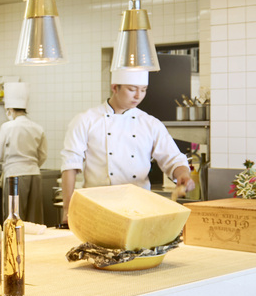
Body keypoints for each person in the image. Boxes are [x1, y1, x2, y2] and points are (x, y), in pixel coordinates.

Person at [60, 67, 194, 225]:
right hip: (98, 207)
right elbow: (70, 165)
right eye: (132, 89)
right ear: (114, 87)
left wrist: (183, 174)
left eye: (143, 90)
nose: (138, 96)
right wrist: (68, 209)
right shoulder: (86, 120)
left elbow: (173, 159)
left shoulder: (150, 123)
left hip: (140, 209)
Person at [0, 81, 47, 224]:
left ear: (10, 110)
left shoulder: (7, 127)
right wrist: (32, 165)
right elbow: (43, 155)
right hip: (34, 174)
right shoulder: (37, 128)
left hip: (15, 175)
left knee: (14, 218)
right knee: (34, 219)